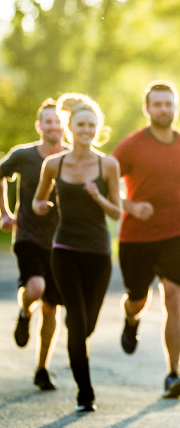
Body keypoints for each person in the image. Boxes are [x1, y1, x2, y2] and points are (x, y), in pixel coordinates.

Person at [113, 80, 180, 399]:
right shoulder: (130, 146)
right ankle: (131, 316)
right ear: (147, 109)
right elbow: (106, 186)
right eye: (157, 104)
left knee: (173, 295)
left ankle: (173, 373)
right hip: (136, 236)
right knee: (139, 298)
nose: (164, 109)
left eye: (169, 104)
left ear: (175, 107)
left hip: (175, 233)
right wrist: (129, 205)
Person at [32, 93, 121, 412]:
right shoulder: (53, 164)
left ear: (98, 129)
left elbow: (116, 213)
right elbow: (38, 202)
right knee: (77, 324)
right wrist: (40, 206)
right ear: (70, 127)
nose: (86, 129)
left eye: (92, 125)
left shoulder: (107, 164)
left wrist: (98, 196)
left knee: (86, 325)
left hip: (98, 253)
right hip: (64, 250)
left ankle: (78, 334)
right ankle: (85, 393)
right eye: (81, 124)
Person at [1, 99, 66, 391]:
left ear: (64, 125)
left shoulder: (73, 157)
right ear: (40, 126)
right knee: (36, 288)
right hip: (28, 235)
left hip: (62, 242)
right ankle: (26, 311)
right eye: (48, 122)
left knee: (52, 309)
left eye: (57, 121)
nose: (53, 126)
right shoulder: (23, 156)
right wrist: (4, 212)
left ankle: (42, 368)